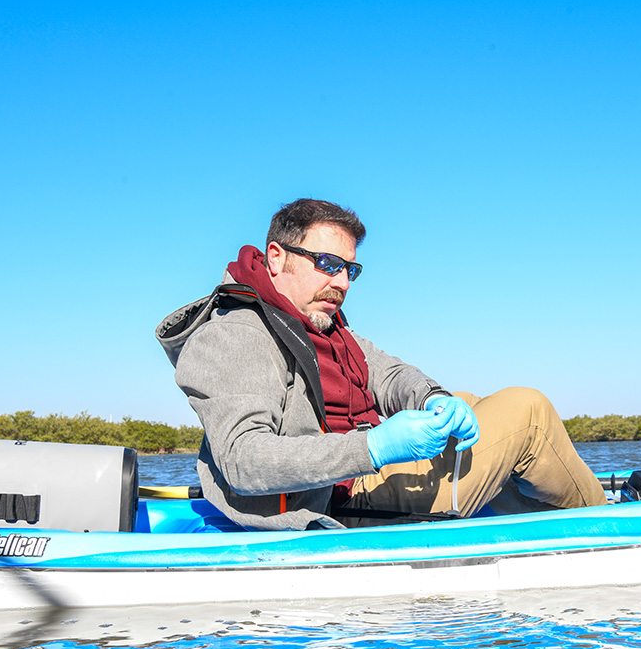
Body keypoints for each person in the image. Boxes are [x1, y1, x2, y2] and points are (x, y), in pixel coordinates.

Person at [156, 199, 607, 530]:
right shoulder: (236, 334)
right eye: (327, 263)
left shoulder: (321, 323)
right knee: (527, 412)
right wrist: (373, 448)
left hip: (360, 480)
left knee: (468, 402)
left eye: (349, 269)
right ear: (277, 257)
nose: (341, 283)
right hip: (335, 506)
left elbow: (388, 373)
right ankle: (609, 528)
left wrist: (433, 398)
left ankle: (552, 520)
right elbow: (243, 460)